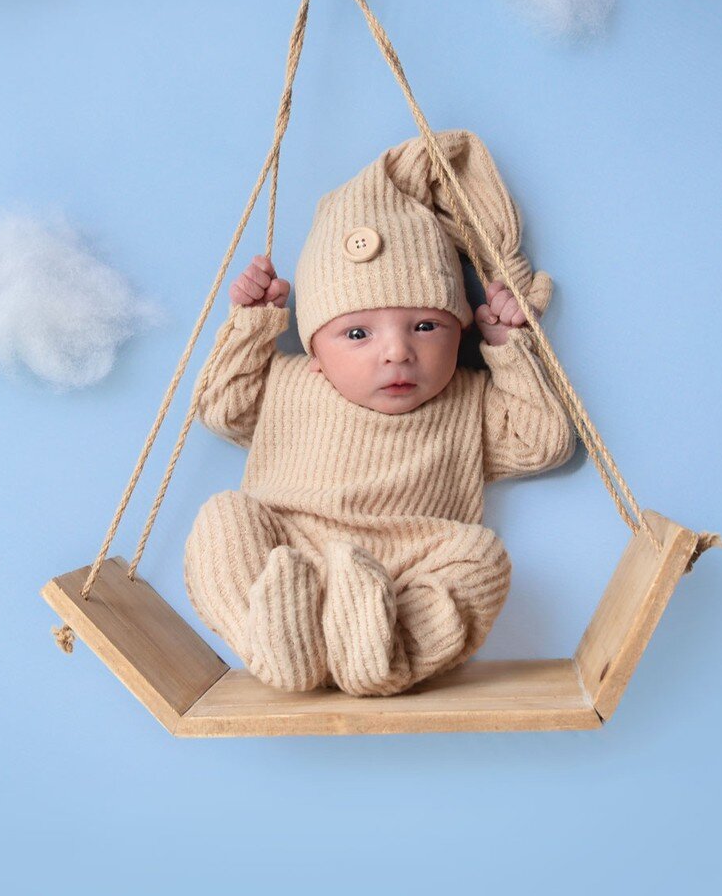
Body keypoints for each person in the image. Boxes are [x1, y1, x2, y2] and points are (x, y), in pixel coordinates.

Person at [183, 131, 575, 697]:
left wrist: (507, 351)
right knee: (224, 519)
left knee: (480, 557)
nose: (397, 351)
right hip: (291, 557)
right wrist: (252, 326)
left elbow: (541, 442)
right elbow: (221, 407)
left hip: (408, 575)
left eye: (425, 326)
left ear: (460, 329)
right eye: (358, 333)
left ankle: (384, 652)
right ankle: (272, 639)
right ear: (315, 349)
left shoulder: (467, 399)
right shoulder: (292, 382)